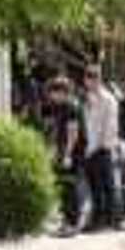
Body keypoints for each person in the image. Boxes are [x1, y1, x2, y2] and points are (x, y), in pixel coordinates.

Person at [37, 75, 84, 234]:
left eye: (54, 92)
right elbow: (56, 131)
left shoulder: (72, 107)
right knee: (63, 186)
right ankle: (66, 220)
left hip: (73, 152)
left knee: (70, 186)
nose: (52, 96)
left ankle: (72, 223)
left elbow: (73, 133)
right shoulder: (60, 107)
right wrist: (54, 150)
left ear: (63, 92)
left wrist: (68, 154)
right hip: (63, 150)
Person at [80, 64, 123, 232]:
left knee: (107, 185)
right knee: (95, 186)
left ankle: (113, 220)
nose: (88, 83)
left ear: (98, 79)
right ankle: (100, 220)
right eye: (87, 79)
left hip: (103, 147)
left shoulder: (108, 99)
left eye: (91, 79)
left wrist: (103, 145)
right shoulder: (87, 98)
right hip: (90, 147)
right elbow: (87, 123)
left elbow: (110, 125)